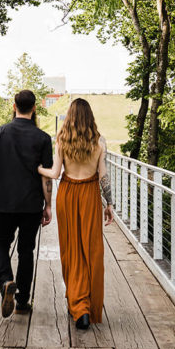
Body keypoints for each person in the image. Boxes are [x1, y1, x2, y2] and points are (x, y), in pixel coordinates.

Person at [38, 98, 114, 330]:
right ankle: (88, 306)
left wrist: (36, 168)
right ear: (89, 116)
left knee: (71, 249)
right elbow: (103, 176)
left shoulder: (62, 140)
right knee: (91, 249)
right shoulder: (99, 142)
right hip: (90, 195)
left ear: (70, 116)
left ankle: (77, 304)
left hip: (68, 195)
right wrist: (109, 204)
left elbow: (55, 172)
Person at [0, 90, 54, 318]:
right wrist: (48, 206)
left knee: (0, 245)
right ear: (34, 109)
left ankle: (5, 280)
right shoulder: (43, 138)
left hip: (4, 202)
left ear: (14, 106)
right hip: (31, 204)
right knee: (26, 251)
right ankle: (22, 302)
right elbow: (46, 177)